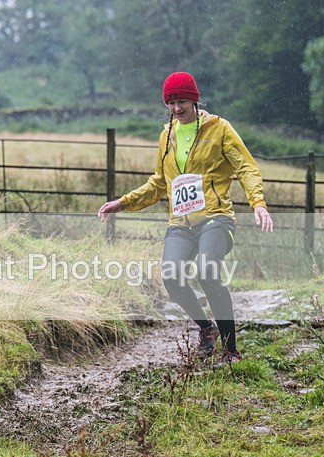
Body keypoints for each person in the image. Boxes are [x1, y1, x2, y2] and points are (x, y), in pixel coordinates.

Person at [98, 71, 273, 361]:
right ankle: (206, 329)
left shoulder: (219, 128)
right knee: (171, 276)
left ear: (194, 99)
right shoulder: (166, 135)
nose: (177, 108)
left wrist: (258, 202)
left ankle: (230, 349)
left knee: (206, 270)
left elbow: (246, 167)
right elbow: (159, 183)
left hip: (216, 217)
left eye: (182, 101)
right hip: (180, 221)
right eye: (171, 102)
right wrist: (124, 202)